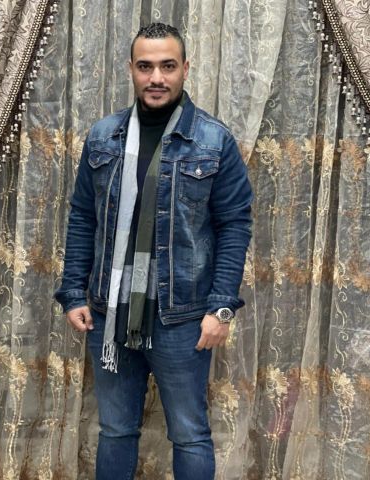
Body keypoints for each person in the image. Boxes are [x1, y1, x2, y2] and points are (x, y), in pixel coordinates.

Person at [55, 22, 252, 480]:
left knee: (189, 433)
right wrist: (74, 292)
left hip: (183, 316)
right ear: (131, 69)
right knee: (115, 430)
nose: (156, 78)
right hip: (109, 310)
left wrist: (221, 308)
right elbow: (83, 217)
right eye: (145, 67)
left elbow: (234, 225)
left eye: (167, 66)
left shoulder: (213, 140)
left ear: (185, 69)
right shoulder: (103, 136)